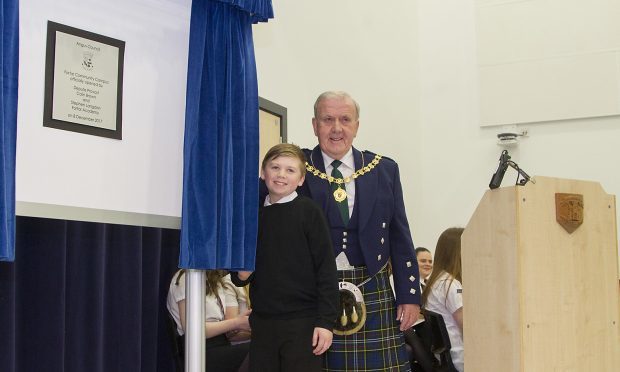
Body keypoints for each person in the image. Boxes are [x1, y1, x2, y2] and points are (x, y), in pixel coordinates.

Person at [299, 91, 421, 371]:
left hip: (372, 286)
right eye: (328, 119)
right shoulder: (298, 167)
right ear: (315, 125)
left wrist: (409, 294)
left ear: (357, 125)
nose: (336, 128)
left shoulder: (384, 170)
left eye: (345, 119)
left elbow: (400, 236)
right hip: (314, 294)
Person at [233, 143, 339, 372]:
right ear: (263, 173)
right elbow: (239, 275)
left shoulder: (309, 212)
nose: (281, 175)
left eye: (290, 170)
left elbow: (326, 271)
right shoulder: (253, 215)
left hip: (303, 324)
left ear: (301, 180)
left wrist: (325, 322)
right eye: (275, 167)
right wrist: (241, 274)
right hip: (262, 324)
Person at [167, 269, 251, 372]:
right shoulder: (188, 277)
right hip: (200, 354)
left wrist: (241, 321)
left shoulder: (215, 281)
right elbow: (194, 331)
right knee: (260, 351)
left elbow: (225, 329)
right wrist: (237, 323)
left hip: (222, 346)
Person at [422, 227, 464, 372]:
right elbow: (468, 328)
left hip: (445, 358)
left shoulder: (437, 281)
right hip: (461, 358)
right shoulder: (450, 284)